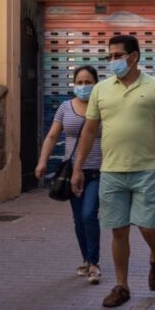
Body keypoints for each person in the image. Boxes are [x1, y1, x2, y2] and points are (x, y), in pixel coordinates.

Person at [72, 35, 155, 308]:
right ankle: (122, 286)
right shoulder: (101, 90)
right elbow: (90, 130)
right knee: (118, 230)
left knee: (146, 225)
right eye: (110, 56)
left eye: (118, 56)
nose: (113, 61)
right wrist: (78, 167)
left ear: (134, 57)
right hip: (111, 171)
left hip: (148, 170)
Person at [36, 65, 103, 285]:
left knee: (88, 215)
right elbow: (52, 136)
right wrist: (42, 161)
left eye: (88, 82)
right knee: (78, 220)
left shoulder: (103, 106)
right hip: (73, 173)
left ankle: (94, 263)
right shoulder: (65, 107)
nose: (84, 86)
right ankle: (86, 258)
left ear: (96, 83)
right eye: (80, 82)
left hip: (98, 171)